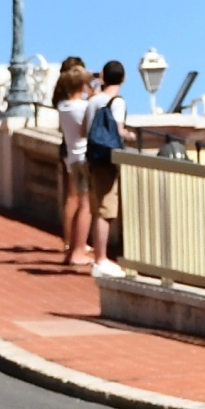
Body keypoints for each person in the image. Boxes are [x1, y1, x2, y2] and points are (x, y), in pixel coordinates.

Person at [83, 60, 131, 269]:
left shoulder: (93, 101)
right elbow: (119, 131)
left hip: (92, 155)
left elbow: (85, 128)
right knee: (107, 209)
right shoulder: (117, 102)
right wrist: (129, 135)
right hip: (107, 159)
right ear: (123, 78)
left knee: (96, 208)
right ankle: (101, 258)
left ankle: (98, 256)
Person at [51, 61, 93, 266]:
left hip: (72, 157)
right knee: (86, 206)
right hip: (85, 157)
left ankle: (70, 244)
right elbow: (89, 127)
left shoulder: (63, 106)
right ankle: (79, 250)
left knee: (73, 199)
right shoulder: (83, 107)